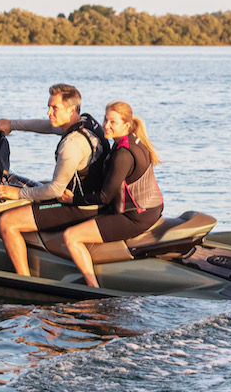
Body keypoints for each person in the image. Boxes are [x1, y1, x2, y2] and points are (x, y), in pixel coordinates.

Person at [0, 83, 108, 276]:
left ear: (71, 110)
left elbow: (54, 190)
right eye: (49, 107)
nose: (48, 112)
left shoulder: (71, 144)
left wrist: (17, 193)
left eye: (54, 108)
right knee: (40, 184)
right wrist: (12, 124)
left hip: (79, 206)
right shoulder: (85, 121)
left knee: (7, 222)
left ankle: (24, 280)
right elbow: (48, 126)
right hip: (89, 193)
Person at [58, 101, 164, 288]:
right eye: (105, 120)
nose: (106, 125)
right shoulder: (134, 142)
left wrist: (73, 199)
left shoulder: (123, 154)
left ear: (126, 125)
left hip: (134, 218)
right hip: (151, 210)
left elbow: (104, 197)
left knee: (71, 236)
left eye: (112, 122)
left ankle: (92, 289)